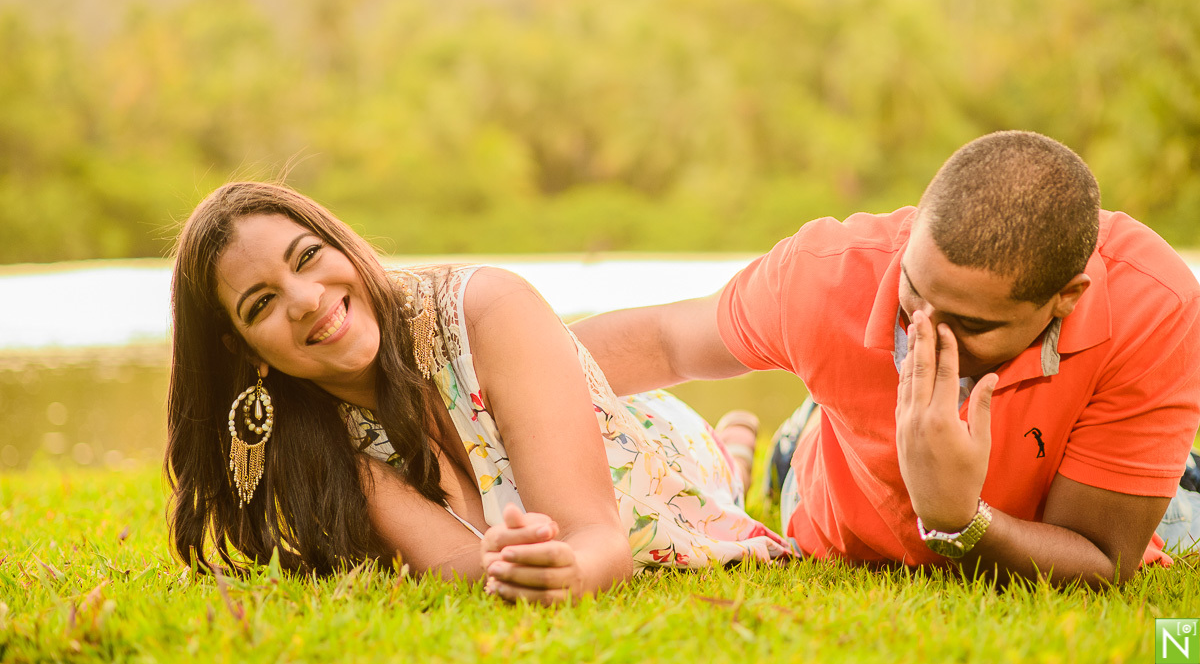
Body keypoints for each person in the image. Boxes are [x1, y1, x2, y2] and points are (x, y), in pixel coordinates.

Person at [573, 131, 1200, 586]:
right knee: (799, 444)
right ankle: (781, 435)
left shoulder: (1155, 306)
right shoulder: (828, 274)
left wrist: (959, 520)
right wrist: (484, 373)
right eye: (913, 296)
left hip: (1062, 481)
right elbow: (664, 339)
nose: (923, 334)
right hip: (832, 473)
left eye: (970, 325)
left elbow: (1099, 557)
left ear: (1066, 300)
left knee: (1183, 505)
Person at [165, 182, 788, 604]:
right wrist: (521, 570)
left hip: (652, 445)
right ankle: (738, 444)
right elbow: (467, 566)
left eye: (306, 258)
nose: (306, 301)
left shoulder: (486, 307)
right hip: (550, 404)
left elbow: (598, 536)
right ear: (246, 350)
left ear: (343, 246)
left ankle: (734, 443)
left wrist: (575, 571)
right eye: (263, 303)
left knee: (738, 473)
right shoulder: (323, 450)